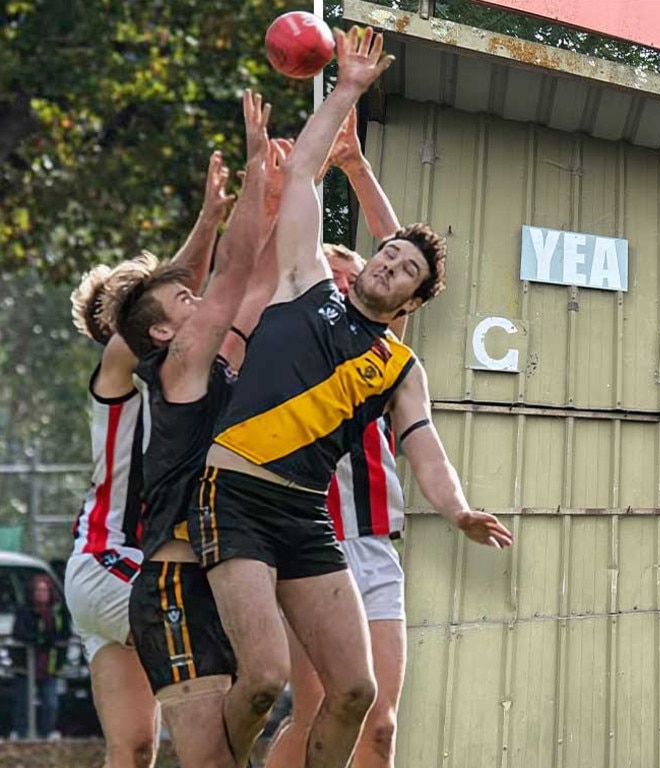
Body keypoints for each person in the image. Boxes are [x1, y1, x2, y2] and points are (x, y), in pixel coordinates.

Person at [196, 26, 512, 768]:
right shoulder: (306, 282)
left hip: (308, 516)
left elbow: (426, 450)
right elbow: (304, 173)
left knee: (357, 698)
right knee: (268, 682)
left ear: (415, 296)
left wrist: (458, 509)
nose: (389, 264)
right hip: (235, 493)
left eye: (405, 268)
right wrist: (346, 89)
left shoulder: (395, 365)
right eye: (387, 253)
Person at [101, 89, 278, 768]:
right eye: (184, 298)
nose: (198, 300)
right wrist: (257, 161)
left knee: (243, 730)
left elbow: (254, 281)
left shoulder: (208, 362)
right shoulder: (175, 365)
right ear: (162, 331)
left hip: (218, 579)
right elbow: (232, 275)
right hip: (173, 583)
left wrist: (285, 194)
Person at [63, 150, 232, 768]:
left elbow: (168, 298)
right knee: (211, 672)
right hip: (110, 562)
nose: (185, 296)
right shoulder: (118, 368)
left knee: (133, 749)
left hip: (125, 571)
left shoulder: (175, 379)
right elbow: (156, 302)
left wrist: (212, 218)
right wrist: (209, 220)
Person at [266, 112, 410, 768]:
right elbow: (290, 250)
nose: (351, 284)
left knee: (379, 724)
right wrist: (291, 180)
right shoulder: (296, 342)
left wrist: (356, 167)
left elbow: (406, 251)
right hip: (307, 539)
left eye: (356, 275)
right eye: (336, 280)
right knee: (316, 705)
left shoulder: (383, 348)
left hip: (373, 544)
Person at [11, 574, 70, 740]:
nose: (41, 594)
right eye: (38, 590)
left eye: (44, 590)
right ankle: (21, 732)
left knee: (50, 702)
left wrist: (50, 641)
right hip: (25, 664)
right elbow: (20, 633)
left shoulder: (58, 612)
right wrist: (38, 639)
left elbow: (64, 633)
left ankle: (48, 732)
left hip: (49, 665)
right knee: (23, 702)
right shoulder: (24, 611)